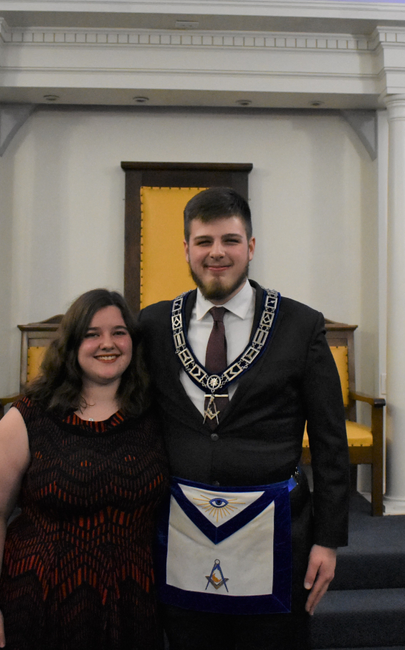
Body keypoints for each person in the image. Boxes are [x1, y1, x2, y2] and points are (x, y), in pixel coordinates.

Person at [139, 187, 350, 650]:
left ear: (251, 247)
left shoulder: (300, 324)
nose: (217, 253)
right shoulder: (152, 326)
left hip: (278, 537)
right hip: (182, 534)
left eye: (230, 240)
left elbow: (332, 441)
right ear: (187, 249)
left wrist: (328, 540)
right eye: (204, 241)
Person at [0, 289, 169, 650]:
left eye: (118, 332)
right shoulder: (28, 418)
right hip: (43, 597)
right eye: (92, 334)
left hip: (133, 600)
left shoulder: (155, 415)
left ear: (133, 342)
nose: (107, 343)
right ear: (72, 344)